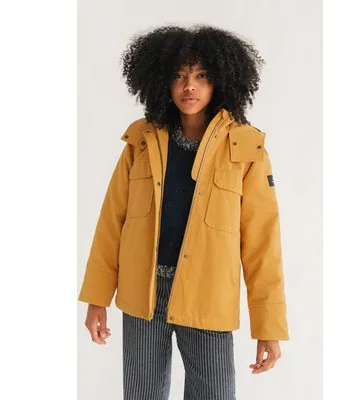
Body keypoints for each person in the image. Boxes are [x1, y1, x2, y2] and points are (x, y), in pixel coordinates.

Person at [78, 24, 289, 400]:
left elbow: (262, 243)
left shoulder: (246, 148)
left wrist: (268, 327)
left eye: (201, 76)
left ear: (221, 81)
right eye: (179, 76)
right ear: (162, 81)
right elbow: (112, 222)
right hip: (143, 294)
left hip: (207, 295)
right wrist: (98, 297)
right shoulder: (141, 141)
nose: (189, 86)